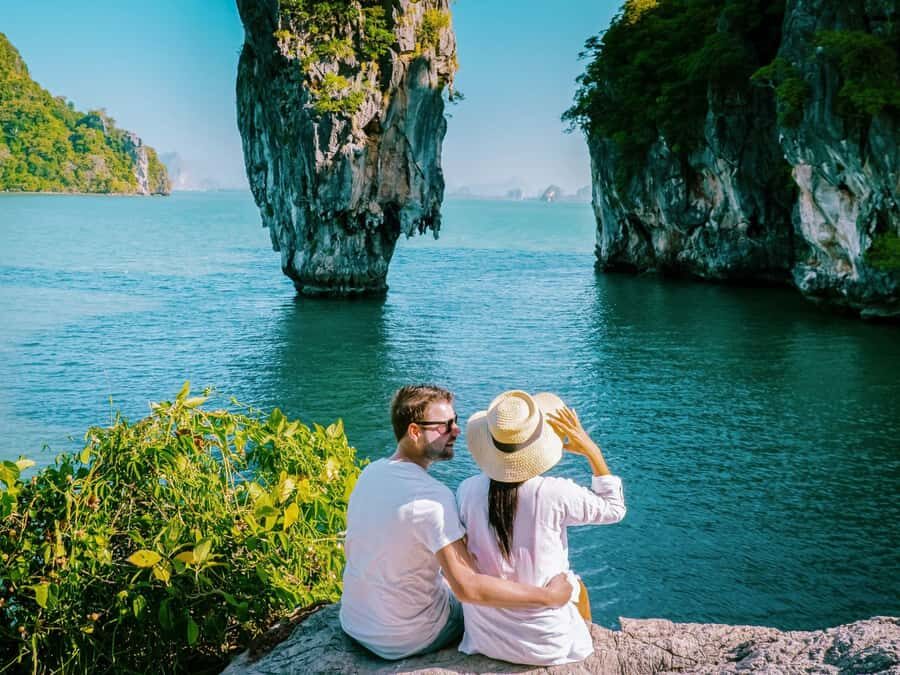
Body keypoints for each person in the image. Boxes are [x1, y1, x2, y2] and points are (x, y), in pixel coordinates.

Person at [339, 384, 574, 660]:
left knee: (444, 577)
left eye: (456, 421)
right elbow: (468, 587)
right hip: (406, 638)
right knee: (481, 604)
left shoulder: (371, 472)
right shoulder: (432, 499)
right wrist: (548, 597)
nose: (456, 431)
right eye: (444, 425)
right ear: (415, 431)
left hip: (355, 622)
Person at [456, 390, 626, 666]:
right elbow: (614, 509)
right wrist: (590, 449)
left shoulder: (466, 491)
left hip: (485, 638)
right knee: (575, 585)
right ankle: (587, 659)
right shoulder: (555, 493)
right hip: (546, 644)